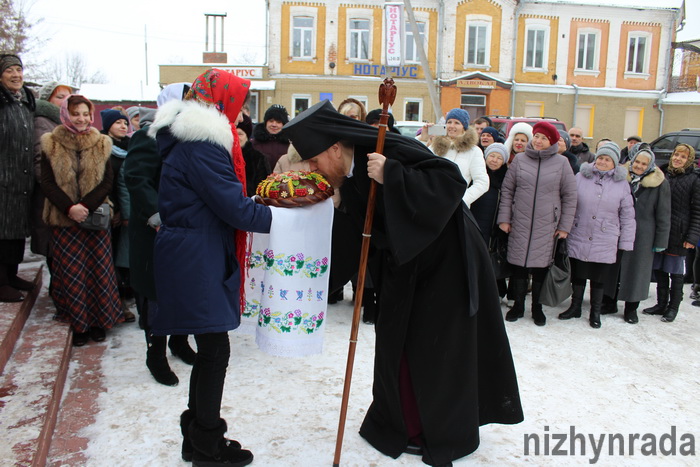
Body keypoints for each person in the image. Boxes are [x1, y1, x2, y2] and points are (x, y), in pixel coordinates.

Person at [282, 100, 523, 466]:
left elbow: (450, 181)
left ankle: (435, 430)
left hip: (448, 263)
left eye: (315, 163)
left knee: (433, 348)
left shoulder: (385, 146)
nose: (316, 171)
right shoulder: (346, 173)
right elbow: (363, 228)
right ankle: (399, 422)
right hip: (403, 265)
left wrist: (393, 174)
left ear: (333, 149)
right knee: (398, 341)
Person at [150, 69, 272, 466]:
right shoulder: (202, 145)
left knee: (209, 349)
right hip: (195, 253)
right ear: (221, 105)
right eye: (237, 106)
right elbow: (233, 207)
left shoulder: (189, 139)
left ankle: (196, 435)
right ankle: (207, 445)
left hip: (192, 249)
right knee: (215, 349)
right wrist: (284, 218)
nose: (239, 116)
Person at [124, 85, 197, 387]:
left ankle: (178, 342)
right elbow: (136, 178)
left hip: (183, 229)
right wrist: (155, 213)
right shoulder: (149, 135)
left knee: (183, 290)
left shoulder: (190, 137)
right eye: (187, 100)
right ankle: (155, 353)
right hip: (155, 229)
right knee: (157, 293)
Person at [39, 94, 124, 346]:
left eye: (86, 113)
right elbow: (47, 182)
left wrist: (85, 206)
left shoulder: (101, 143)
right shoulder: (51, 142)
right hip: (64, 219)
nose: (81, 118)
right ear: (66, 114)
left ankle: (99, 321)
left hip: (94, 218)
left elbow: (106, 182)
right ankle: (79, 323)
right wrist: (70, 208)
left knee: (99, 271)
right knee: (72, 273)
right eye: (76, 113)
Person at [498, 121, 577, 326]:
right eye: (537, 136)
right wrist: (505, 218)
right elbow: (508, 190)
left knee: (541, 268)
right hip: (520, 221)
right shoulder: (521, 160)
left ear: (551, 141)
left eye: (544, 138)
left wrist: (564, 227)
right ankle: (518, 306)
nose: (539, 141)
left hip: (547, 225)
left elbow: (570, 196)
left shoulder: (561, 163)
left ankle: (537, 308)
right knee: (519, 266)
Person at [558, 143, 635, 328]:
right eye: (601, 158)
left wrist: (626, 241)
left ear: (614, 164)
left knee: (598, 278)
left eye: (607, 159)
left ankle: (595, 312)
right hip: (580, 232)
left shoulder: (622, 184)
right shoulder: (580, 177)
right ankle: (575, 307)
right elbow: (568, 202)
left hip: (605, 236)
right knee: (579, 273)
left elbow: (627, 214)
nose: (603, 161)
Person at [613, 144, 670, 323]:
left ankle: (631, 309)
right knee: (615, 268)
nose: (639, 166)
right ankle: (609, 302)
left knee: (637, 271)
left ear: (650, 165)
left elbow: (664, 214)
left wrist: (660, 240)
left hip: (644, 234)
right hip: (619, 229)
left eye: (644, 164)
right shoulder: (622, 178)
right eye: (636, 162)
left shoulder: (660, 183)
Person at [643, 143, 700, 323]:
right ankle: (661, 304)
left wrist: (692, 237)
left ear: (688, 160)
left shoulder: (695, 179)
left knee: (675, 272)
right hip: (661, 230)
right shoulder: (662, 174)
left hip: (680, 232)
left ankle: (673, 307)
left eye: (682, 157)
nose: (677, 159)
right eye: (676, 155)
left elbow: (698, 211)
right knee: (659, 269)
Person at [0, 54, 36, 302]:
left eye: (18, 69)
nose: (16, 75)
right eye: (9, 70)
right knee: (1, 231)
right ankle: (0, 281)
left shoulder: (24, 102)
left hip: (21, 179)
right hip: (2, 177)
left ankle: (11, 275)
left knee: (16, 231)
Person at [31, 81, 75, 266]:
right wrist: (59, 191)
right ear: (48, 99)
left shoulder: (64, 122)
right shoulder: (43, 122)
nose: (66, 100)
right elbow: (40, 160)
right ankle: (57, 290)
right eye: (60, 96)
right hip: (52, 195)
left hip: (63, 193)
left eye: (68, 96)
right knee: (54, 247)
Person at [100, 108, 136, 323]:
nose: (123, 126)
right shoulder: (103, 147)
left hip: (127, 211)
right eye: (118, 123)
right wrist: (113, 208)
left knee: (124, 259)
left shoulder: (130, 146)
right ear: (108, 126)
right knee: (111, 259)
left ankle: (123, 299)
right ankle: (115, 304)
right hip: (107, 210)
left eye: (125, 122)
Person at [418, 108, 489, 208]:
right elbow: (418, 163)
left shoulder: (473, 151)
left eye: (457, 123)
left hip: (456, 209)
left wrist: (461, 200)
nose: (451, 126)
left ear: (464, 127)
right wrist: (424, 138)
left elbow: (482, 182)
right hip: (432, 204)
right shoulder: (436, 146)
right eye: (449, 122)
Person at [470, 142, 510, 300]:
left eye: (499, 158)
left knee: (491, 258)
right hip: (475, 222)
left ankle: (495, 291)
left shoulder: (505, 179)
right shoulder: (476, 175)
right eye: (492, 156)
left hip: (494, 226)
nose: (494, 160)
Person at [237, 113, 271, 195]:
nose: (236, 137)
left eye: (240, 134)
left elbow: (264, 190)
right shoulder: (223, 156)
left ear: (247, 137)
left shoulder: (258, 158)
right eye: (233, 132)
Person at [251, 104, 290, 170]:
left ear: (283, 124)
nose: (274, 125)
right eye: (271, 121)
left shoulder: (290, 145)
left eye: (278, 122)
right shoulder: (254, 144)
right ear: (266, 122)